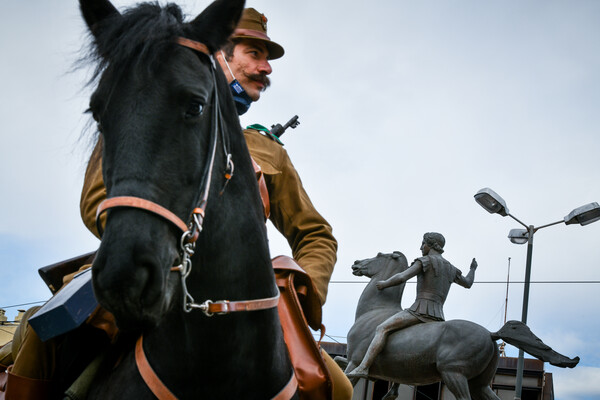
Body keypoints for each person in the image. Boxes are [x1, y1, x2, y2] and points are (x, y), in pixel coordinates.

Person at [3, 7, 352, 400]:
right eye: (254, 53)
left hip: (251, 295)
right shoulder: (142, 105)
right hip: (143, 263)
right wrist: (153, 239)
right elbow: (97, 198)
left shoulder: (268, 150)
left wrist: (298, 290)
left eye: (267, 58)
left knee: (338, 387)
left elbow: (315, 234)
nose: (266, 68)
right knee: (41, 333)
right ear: (218, 52)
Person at [346, 232, 478, 379]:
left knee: (382, 328)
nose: (421, 247)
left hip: (419, 311)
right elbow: (468, 283)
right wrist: (473, 269)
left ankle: (363, 367)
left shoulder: (424, 261)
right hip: (438, 316)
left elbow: (402, 276)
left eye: (423, 243)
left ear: (431, 244)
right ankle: (394, 388)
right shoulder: (451, 269)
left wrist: (385, 283)